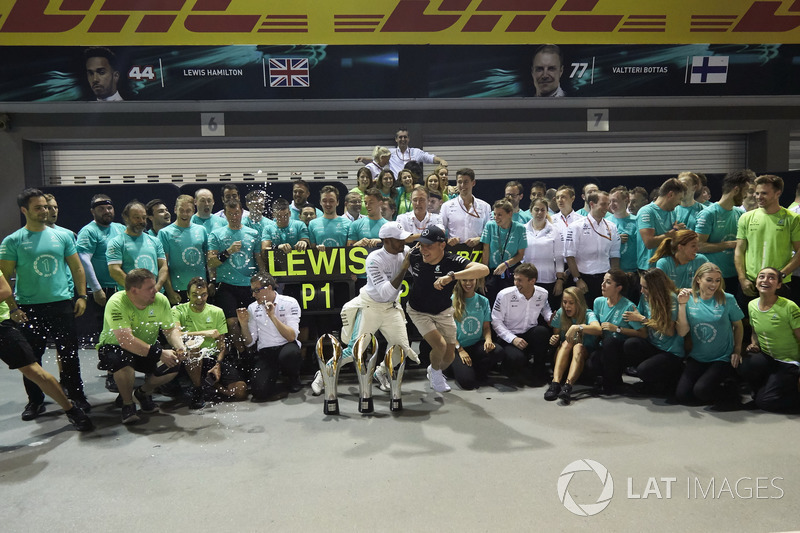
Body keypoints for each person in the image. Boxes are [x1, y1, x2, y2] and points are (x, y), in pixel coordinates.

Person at [0, 188, 90, 418]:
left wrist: (81, 296)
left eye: (46, 207)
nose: (44, 211)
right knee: (32, 358)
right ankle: (35, 401)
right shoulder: (13, 241)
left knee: (69, 353)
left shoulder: (63, 236)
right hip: (29, 308)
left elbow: (77, 267)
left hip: (61, 304)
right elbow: (5, 277)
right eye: (38, 207)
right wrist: (14, 308)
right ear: (24, 210)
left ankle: (77, 396)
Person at [311, 222, 420, 395]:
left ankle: (381, 372)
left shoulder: (405, 251)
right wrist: (404, 267)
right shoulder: (374, 259)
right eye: (398, 239)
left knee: (401, 348)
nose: (403, 242)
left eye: (403, 238)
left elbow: (419, 273)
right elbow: (385, 293)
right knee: (355, 350)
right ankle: (323, 373)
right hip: (371, 307)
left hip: (391, 308)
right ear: (386, 240)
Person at [0, 271, 92, 430]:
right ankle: (37, 401)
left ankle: (71, 409)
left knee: (33, 370)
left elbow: (5, 290)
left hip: (2, 327)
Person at [96, 269, 187, 424]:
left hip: (147, 348)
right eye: (150, 288)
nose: (155, 290)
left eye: (155, 285)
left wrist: (180, 347)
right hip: (116, 347)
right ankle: (127, 404)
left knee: (173, 364)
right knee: (123, 360)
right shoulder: (117, 302)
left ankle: (142, 393)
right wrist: (159, 353)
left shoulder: (161, 300)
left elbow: (170, 330)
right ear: (134, 290)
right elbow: (126, 341)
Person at [406, 226, 490, 392]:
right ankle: (436, 374)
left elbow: (484, 269)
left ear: (442, 245)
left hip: (443, 311)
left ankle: (433, 369)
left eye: (428, 246)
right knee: (440, 346)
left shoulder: (452, 261)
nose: (424, 250)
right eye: (421, 245)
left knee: (450, 355)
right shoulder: (414, 256)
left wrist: (451, 277)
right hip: (418, 311)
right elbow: (396, 245)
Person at [675, 263, 744, 405]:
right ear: (698, 279)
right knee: (682, 395)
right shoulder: (688, 299)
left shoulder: (728, 299)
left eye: (717, 280)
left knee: (702, 391)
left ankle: (730, 388)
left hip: (721, 357)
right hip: (698, 356)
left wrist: (737, 350)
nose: (714, 284)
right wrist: (682, 305)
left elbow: (738, 325)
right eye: (709, 280)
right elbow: (682, 332)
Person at [172, 277, 247, 407]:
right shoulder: (178, 310)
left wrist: (218, 364)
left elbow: (222, 343)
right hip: (189, 358)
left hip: (212, 358)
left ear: (208, 294)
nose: (199, 299)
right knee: (193, 346)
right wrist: (203, 333)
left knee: (240, 390)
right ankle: (198, 388)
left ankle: (211, 388)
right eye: (195, 295)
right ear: (188, 294)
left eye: (203, 295)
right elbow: (175, 334)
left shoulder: (216, 311)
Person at [738, 267, 800, 412]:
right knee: (746, 365)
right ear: (756, 282)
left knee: (766, 402)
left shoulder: (790, 307)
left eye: (771, 277)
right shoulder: (752, 305)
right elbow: (755, 332)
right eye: (762, 277)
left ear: (779, 285)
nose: (765, 280)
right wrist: (754, 343)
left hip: (789, 362)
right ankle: (763, 393)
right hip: (769, 358)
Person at [207, 200, 263, 355]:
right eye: (230, 214)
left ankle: (252, 353)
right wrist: (228, 252)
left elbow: (258, 259)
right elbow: (211, 261)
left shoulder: (253, 233)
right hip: (226, 285)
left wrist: (264, 279)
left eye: (236, 213)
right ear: (225, 214)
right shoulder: (216, 235)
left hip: (248, 285)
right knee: (232, 323)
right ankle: (241, 355)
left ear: (241, 212)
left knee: (252, 322)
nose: (234, 216)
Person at [237, 273, 302, 400]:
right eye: (253, 291)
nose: (253, 295)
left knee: (291, 355)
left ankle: (293, 377)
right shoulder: (252, 307)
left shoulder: (289, 302)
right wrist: (243, 325)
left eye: (257, 291)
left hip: (286, 346)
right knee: (258, 392)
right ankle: (274, 380)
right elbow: (249, 342)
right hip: (266, 351)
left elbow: (291, 337)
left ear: (269, 288)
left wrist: (272, 316)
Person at [736, 174, 800, 302]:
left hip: (779, 284)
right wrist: (742, 278)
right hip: (751, 283)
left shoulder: (792, 219)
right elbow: (739, 250)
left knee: (777, 321)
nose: (758, 197)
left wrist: (781, 275)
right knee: (745, 321)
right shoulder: (746, 217)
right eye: (757, 193)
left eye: (764, 193)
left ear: (778, 193)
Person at [695, 169, 754, 295]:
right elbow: (699, 246)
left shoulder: (741, 214)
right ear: (736, 190)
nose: (747, 196)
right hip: (714, 279)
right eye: (746, 191)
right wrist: (730, 244)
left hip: (736, 277)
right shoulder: (708, 214)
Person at [491, 263, 553, 384]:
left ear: (532, 281)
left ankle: (538, 370)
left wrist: (550, 318)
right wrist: (513, 339)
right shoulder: (504, 295)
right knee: (517, 359)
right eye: (515, 279)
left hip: (529, 335)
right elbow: (496, 321)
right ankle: (508, 366)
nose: (516, 283)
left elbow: (545, 309)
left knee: (542, 332)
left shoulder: (543, 293)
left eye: (520, 280)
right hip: (509, 337)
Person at [587, 270, 646, 394]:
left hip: (621, 349)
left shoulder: (628, 306)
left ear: (618, 288)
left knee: (610, 342)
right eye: (603, 280)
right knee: (591, 364)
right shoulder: (598, 301)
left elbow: (643, 333)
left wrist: (618, 329)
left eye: (608, 282)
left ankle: (612, 384)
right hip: (602, 346)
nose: (602, 285)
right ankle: (609, 380)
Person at [544, 287, 601, 404]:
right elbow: (556, 336)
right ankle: (555, 384)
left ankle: (567, 386)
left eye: (571, 303)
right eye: (564, 302)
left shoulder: (588, 313)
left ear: (579, 303)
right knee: (567, 342)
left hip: (583, 357)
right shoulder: (561, 313)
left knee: (577, 346)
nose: (567, 306)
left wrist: (577, 327)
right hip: (563, 356)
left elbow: (598, 329)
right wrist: (554, 339)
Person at [564, 190, 621, 304]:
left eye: (608, 203)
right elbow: (570, 256)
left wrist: (614, 280)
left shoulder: (612, 227)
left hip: (605, 278)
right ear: (592, 204)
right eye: (603, 204)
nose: (607, 207)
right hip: (583, 278)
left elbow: (614, 256)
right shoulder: (576, 227)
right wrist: (578, 279)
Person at [447, 277, 503, 390]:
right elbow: (447, 331)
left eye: (471, 280)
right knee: (468, 383)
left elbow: (486, 327)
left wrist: (488, 340)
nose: (468, 283)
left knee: (498, 351)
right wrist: (460, 350)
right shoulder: (451, 301)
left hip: (476, 345)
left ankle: (475, 368)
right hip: (457, 347)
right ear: (459, 281)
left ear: (476, 281)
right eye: (464, 280)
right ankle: (450, 368)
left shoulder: (483, 301)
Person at [77, 194, 126, 310]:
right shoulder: (88, 231)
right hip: (101, 290)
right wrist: (96, 289)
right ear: (92, 211)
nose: (106, 211)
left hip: (120, 287)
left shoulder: (121, 228)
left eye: (109, 208)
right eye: (101, 209)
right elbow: (83, 260)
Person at [158, 195, 209, 305]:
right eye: (181, 210)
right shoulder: (165, 233)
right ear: (175, 209)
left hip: (200, 289)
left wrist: (211, 284)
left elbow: (207, 261)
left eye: (188, 211)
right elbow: (163, 266)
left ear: (193, 211)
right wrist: (170, 291)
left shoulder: (202, 230)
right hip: (178, 289)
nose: (185, 214)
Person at [106, 200, 168, 291]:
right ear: (126, 218)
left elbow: (163, 266)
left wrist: (157, 287)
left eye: (144, 217)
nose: (141, 221)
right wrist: (136, 290)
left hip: (155, 295)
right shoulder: (117, 242)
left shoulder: (155, 241)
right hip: (130, 297)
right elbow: (114, 271)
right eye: (137, 218)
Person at [481, 199, 528, 304]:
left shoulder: (520, 228)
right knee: (491, 303)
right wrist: (483, 276)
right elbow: (486, 251)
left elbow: (520, 255)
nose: (496, 218)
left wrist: (506, 264)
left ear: (510, 214)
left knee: (509, 305)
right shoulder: (490, 226)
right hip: (492, 273)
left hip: (510, 272)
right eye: (495, 214)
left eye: (500, 215)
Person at [522, 197, 565, 311]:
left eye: (543, 210)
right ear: (531, 211)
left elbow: (559, 258)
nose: (539, 213)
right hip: (528, 280)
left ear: (547, 212)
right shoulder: (522, 229)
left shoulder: (555, 230)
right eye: (536, 209)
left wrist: (560, 281)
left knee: (548, 314)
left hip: (548, 280)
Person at [637, 177, 687, 272]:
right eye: (679, 199)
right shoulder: (647, 211)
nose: (680, 203)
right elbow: (649, 243)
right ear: (671, 194)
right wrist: (674, 232)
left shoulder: (673, 212)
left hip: (667, 266)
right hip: (649, 268)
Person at [440, 168, 492, 248]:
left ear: (473, 183)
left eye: (466, 182)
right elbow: (440, 228)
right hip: (454, 253)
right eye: (459, 182)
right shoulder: (446, 206)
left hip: (478, 252)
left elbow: (490, 231)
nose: (462, 185)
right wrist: (447, 240)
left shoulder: (485, 207)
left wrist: (480, 239)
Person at [608, 187, 640, 280]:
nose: (611, 204)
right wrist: (615, 240)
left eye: (615, 201)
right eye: (610, 202)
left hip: (633, 272)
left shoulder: (636, 221)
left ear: (626, 200)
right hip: (612, 273)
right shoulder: (605, 222)